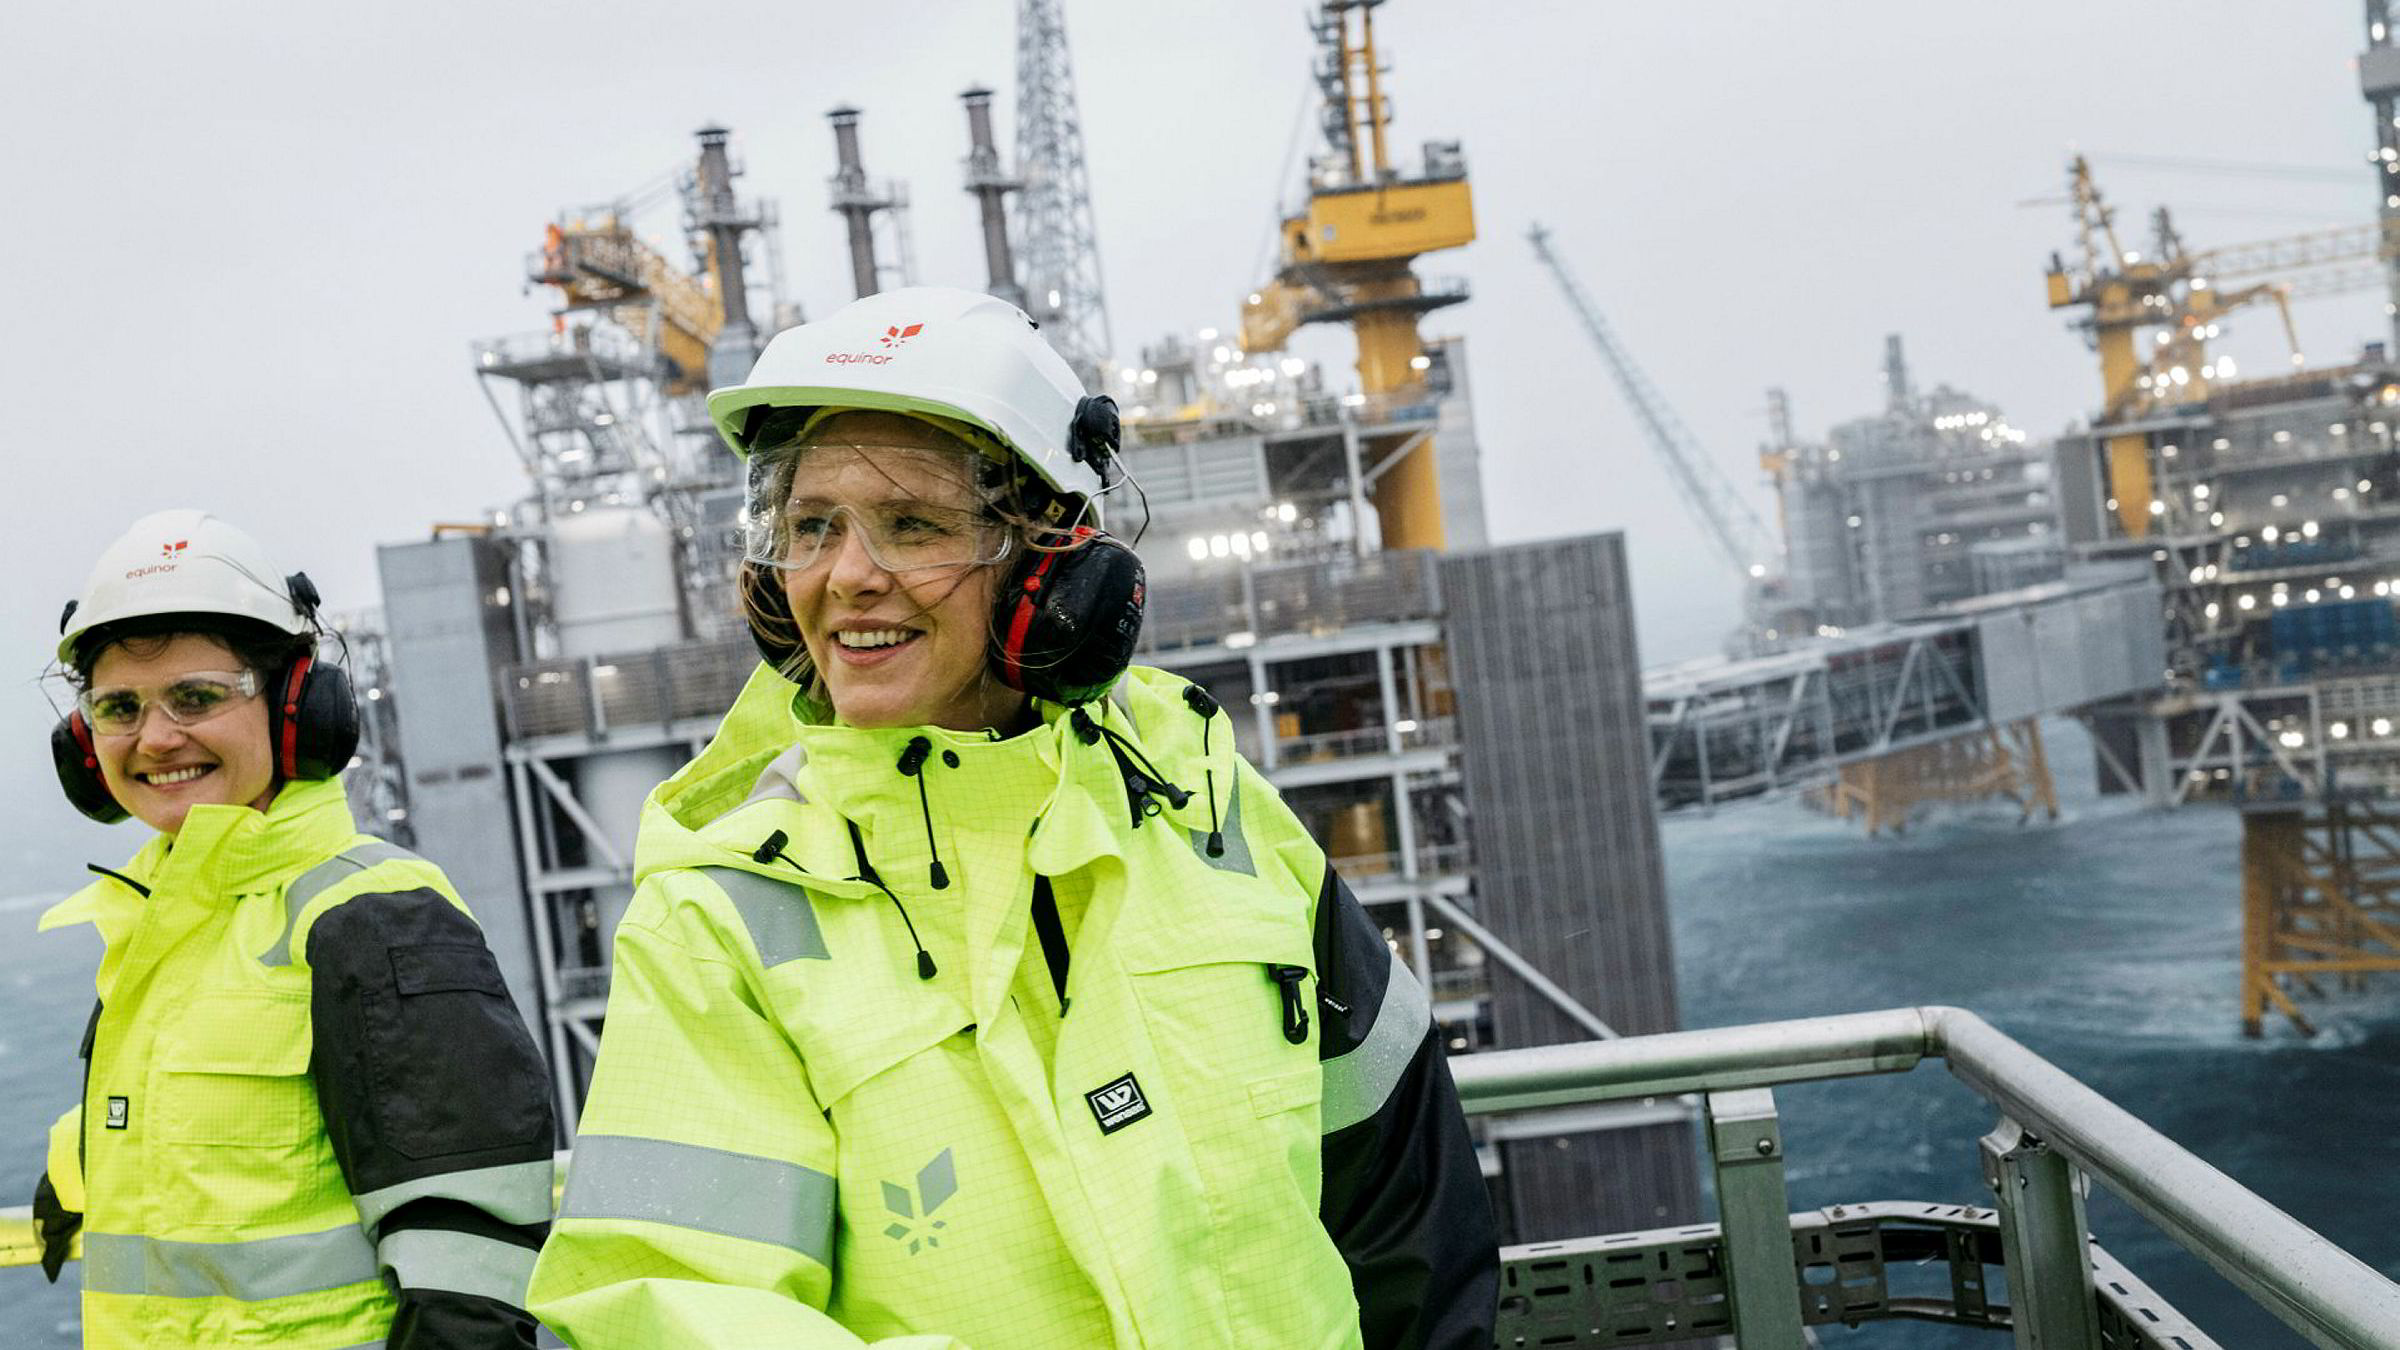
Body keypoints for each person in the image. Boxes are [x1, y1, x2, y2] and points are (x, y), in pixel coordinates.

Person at [528, 286, 1498, 1349]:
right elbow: (670, 1307)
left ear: (1049, 566)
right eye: (812, 528)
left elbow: (1411, 1220)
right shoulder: (721, 920)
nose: (849, 577)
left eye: (911, 526)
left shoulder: (1210, 807)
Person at [32, 509, 557, 1348]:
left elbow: (471, 1276)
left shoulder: (370, 915)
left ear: (295, 706)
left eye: (197, 697)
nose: (157, 738)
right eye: (118, 706)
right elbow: (217, 1123)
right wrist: (80, 1158)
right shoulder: (165, 921)